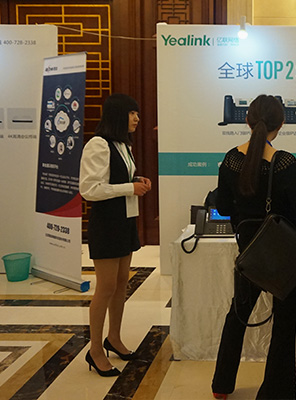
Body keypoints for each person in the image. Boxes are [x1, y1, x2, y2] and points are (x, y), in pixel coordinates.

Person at [211, 95, 296, 400]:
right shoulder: (284, 162)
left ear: (247, 120)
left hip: (249, 253)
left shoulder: (231, 159)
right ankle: (276, 392)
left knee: (237, 315)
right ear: (281, 124)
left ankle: (221, 385)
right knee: (284, 326)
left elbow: (224, 206)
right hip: (284, 255)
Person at [80, 94, 151, 376]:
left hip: (125, 221)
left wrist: (135, 181)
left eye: (137, 114)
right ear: (118, 115)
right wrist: (129, 188)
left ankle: (114, 338)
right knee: (106, 287)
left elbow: (116, 180)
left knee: (122, 283)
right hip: (107, 223)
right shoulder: (98, 144)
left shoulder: (123, 144)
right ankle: (95, 350)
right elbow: (89, 189)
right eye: (132, 113)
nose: (137, 119)